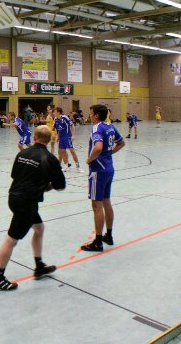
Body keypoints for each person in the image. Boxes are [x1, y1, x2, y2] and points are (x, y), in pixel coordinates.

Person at [0, 125, 66, 291]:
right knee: (11, 239)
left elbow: (15, 176)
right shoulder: (50, 159)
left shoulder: (22, 153)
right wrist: (46, 186)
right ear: (49, 140)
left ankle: (39, 265)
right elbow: (60, 186)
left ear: (35, 138)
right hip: (27, 202)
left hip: (14, 197)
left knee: (39, 228)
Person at [81, 104, 125, 252]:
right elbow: (121, 143)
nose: (89, 115)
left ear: (96, 115)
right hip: (109, 168)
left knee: (96, 205)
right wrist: (109, 153)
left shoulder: (97, 128)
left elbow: (98, 147)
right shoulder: (110, 127)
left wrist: (89, 160)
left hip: (98, 170)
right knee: (107, 202)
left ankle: (98, 242)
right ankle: (109, 235)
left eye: (91, 113)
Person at [53, 107, 83, 173]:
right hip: (61, 138)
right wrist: (57, 137)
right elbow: (58, 129)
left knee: (72, 151)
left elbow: (72, 125)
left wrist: (73, 135)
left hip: (67, 136)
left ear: (58, 112)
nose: (53, 113)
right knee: (63, 151)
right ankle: (66, 166)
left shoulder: (65, 117)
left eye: (54, 112)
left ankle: (78, 167)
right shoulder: (56, 119)